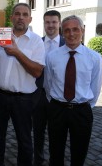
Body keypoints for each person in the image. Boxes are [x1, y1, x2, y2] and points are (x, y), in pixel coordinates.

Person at [0, 3, 45, 166]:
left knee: (24, 140)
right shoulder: (1, 35)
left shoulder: (36, 41)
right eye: (17, 14)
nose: (20, 17)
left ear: (30, 19)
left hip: (23, 99)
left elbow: (37, 72)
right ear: (11, 18)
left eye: (24, 14)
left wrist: (17, 52)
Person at [44, 15, 102, 166]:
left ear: (82, 30)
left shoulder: (94, 58)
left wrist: (86, 105)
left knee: (79, 153)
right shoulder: (52, 56)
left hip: (81, 110)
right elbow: (48, 83)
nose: (71, 34)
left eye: (75, 29)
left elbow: (96, 86)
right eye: (67, 30)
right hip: (57, 109)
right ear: (62, 32)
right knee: (55, 152)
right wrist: (56, 102)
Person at [32, 10, 65, 166]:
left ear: (59, 23)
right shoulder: (37, 42)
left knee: (57, 133)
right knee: (38, 132)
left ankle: (55, 161)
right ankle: (38, 160)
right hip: (38, 95)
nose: (50, 25)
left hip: (59, 98)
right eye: (47, 22)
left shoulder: (68, 43)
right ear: (44, 24)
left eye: (54, 22)